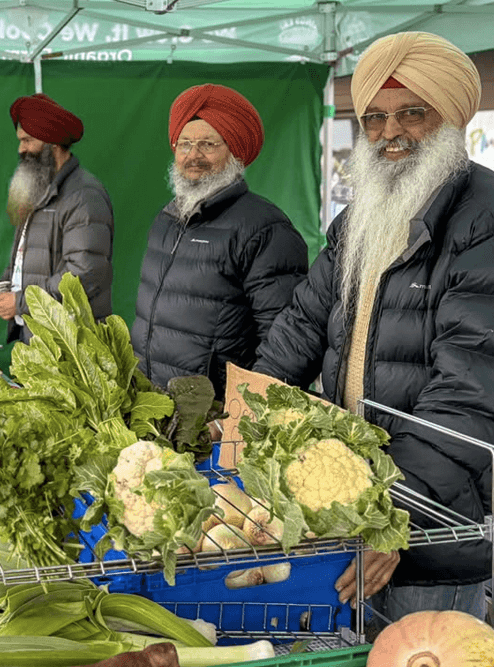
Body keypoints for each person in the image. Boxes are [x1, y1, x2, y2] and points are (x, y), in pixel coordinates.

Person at [253, 32, 494, 623]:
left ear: (453, 117)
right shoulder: (358, 219)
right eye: (375, 118)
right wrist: (246, 410)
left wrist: (395, 515)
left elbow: (470, 389)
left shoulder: (484, 219)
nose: (391, 132)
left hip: (431, 533)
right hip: (349, 510)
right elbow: (302, 325)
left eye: (413, 112)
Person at [130, 84, 308, 400]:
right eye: (184, 144)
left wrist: (240, 413)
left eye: (208, 144)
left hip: (212, 416)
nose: (193, 156)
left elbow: (285, 342)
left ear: (236, 152)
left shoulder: (265, 229)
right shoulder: (166, 220)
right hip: (150, 402)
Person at [0, 93, 114, 343]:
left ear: (51, 142)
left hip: (69, 343)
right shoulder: (39, 189)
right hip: (36, 334)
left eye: (27, 140)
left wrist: (20, 301)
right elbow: (24, 257)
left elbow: (84, 274)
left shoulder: (84, 195)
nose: (21, 149)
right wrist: (5, 288)